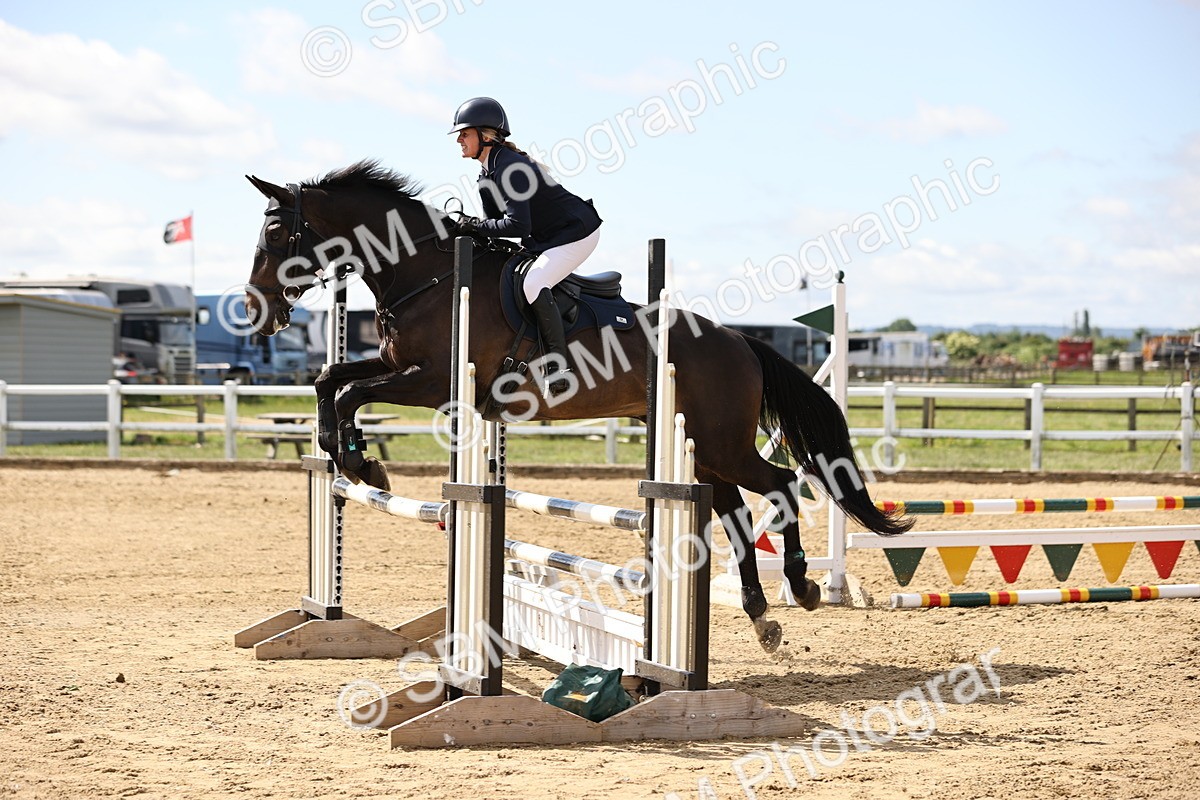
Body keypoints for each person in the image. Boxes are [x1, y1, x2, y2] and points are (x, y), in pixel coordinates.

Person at [448, 96, 602, 393]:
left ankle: (559, 369)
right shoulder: (486, 174)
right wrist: (467, 228)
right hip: (548, 237)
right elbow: (494, 228)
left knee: (533, 283)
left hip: (577, 233)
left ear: (486, 136)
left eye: (464, 133)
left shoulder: (510, 168)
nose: (459, 140)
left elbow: (518, 226)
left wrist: (475, 225)